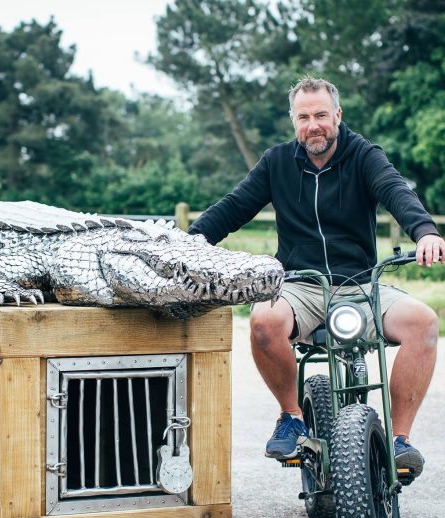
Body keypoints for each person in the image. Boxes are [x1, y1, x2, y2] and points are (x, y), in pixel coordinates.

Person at [189, 76, 444, 480]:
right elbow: (233, 207)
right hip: (299, 285)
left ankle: (399, 441)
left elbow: (396, 191)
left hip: (360, 283)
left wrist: (425, 231)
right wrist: (188, 243)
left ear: (337, 115)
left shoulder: (363, 155)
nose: (314, 125)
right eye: (304, 117)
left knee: (424, 323)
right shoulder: (276, 163)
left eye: (321, 115)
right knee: (263, 321)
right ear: (294, 122)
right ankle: (291, 417)